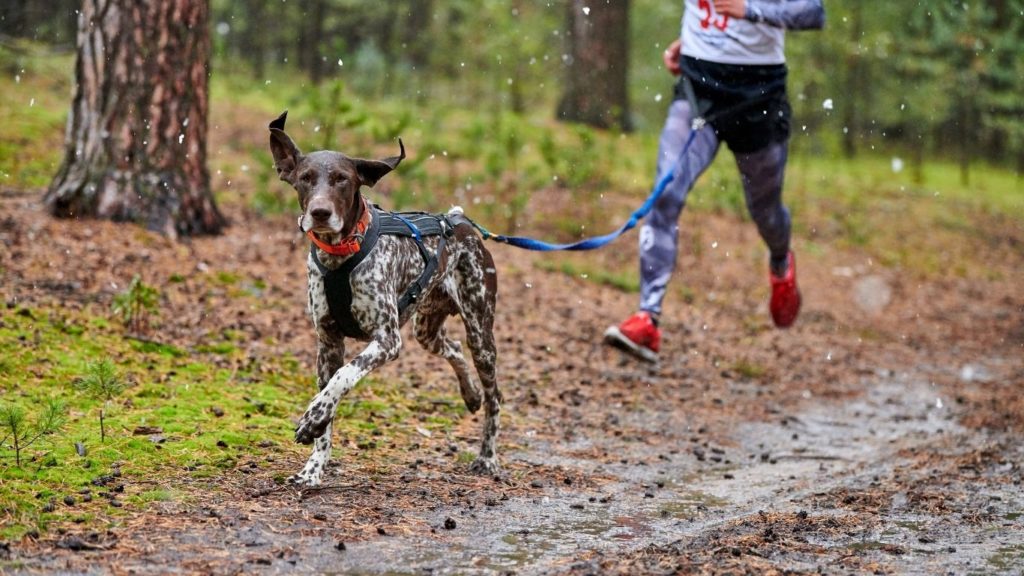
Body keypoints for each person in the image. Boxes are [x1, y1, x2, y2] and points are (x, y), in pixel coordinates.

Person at [604, 0, 825, 363]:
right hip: (699, 90)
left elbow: (813, 13)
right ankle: (647, 318)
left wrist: (750, 9)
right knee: (666, 192)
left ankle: (781, 262)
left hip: (759, 98)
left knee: (765, 211)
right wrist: (690, 40)